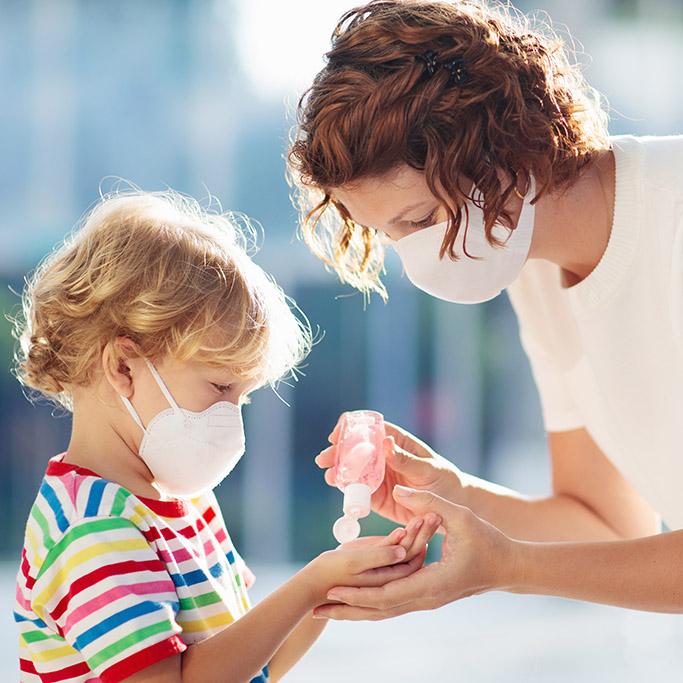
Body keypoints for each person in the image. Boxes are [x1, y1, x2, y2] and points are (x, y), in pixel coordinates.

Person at [287, 0, 683, 620]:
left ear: (504, 146)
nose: (416, 259)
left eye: (418, 220)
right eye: (391, 236)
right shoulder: (536, 273)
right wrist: (452, 494)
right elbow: (608, 528)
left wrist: (509, 568)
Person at [12, 188, 438, 682]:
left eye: (244, 396)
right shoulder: (92, 529)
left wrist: (333, 583)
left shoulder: (187, 501)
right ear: (123, 366)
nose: (232, 417)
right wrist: (308, 585)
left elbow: (255, 663)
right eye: (219, 386)